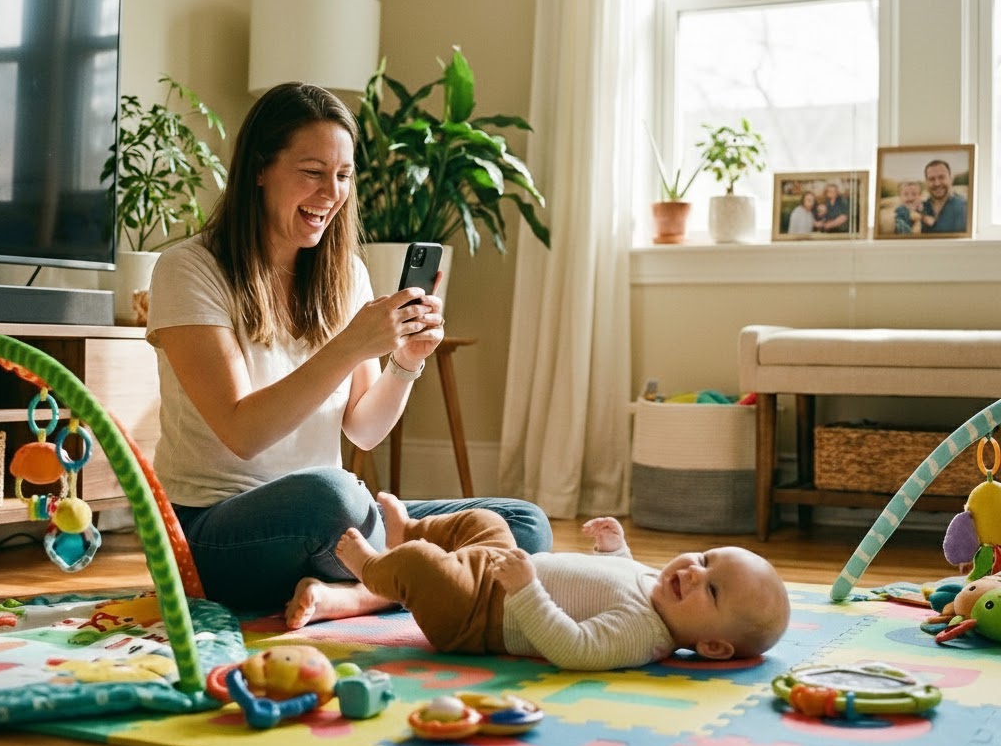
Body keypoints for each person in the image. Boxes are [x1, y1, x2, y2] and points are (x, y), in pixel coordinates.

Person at [146, 82, 552, 616]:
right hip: (213, 533)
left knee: (523, 526)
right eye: (312, 173)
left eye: (342, 176)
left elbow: (362, 427)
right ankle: (395, 583)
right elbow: (243, 433)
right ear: (260, 169)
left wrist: (406, 362)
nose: (330, 193)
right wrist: (348, 346)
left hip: (335, 526)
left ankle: (355, 595)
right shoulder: (187, 269)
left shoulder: (345, 275)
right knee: (334, 497)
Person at [300, 492, 791, 669]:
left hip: (475, 614)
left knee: (426, 566)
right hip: (501, 571)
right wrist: (614, 549)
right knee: (485, 521)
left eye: (711, 588)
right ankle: (408, 531)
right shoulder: (659, 587)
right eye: (704, 558)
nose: (693, 570)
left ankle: (372, 570)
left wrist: (527, 590)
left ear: (713, 647)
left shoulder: (644, 635)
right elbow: (612, 577)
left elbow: (575, 647)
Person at [920, 159, 967, 234]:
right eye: (931, 179)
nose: (937, 183)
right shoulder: (921, 208)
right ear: (926, 182)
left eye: (941, 177)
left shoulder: (964, 207)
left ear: (951, 179)